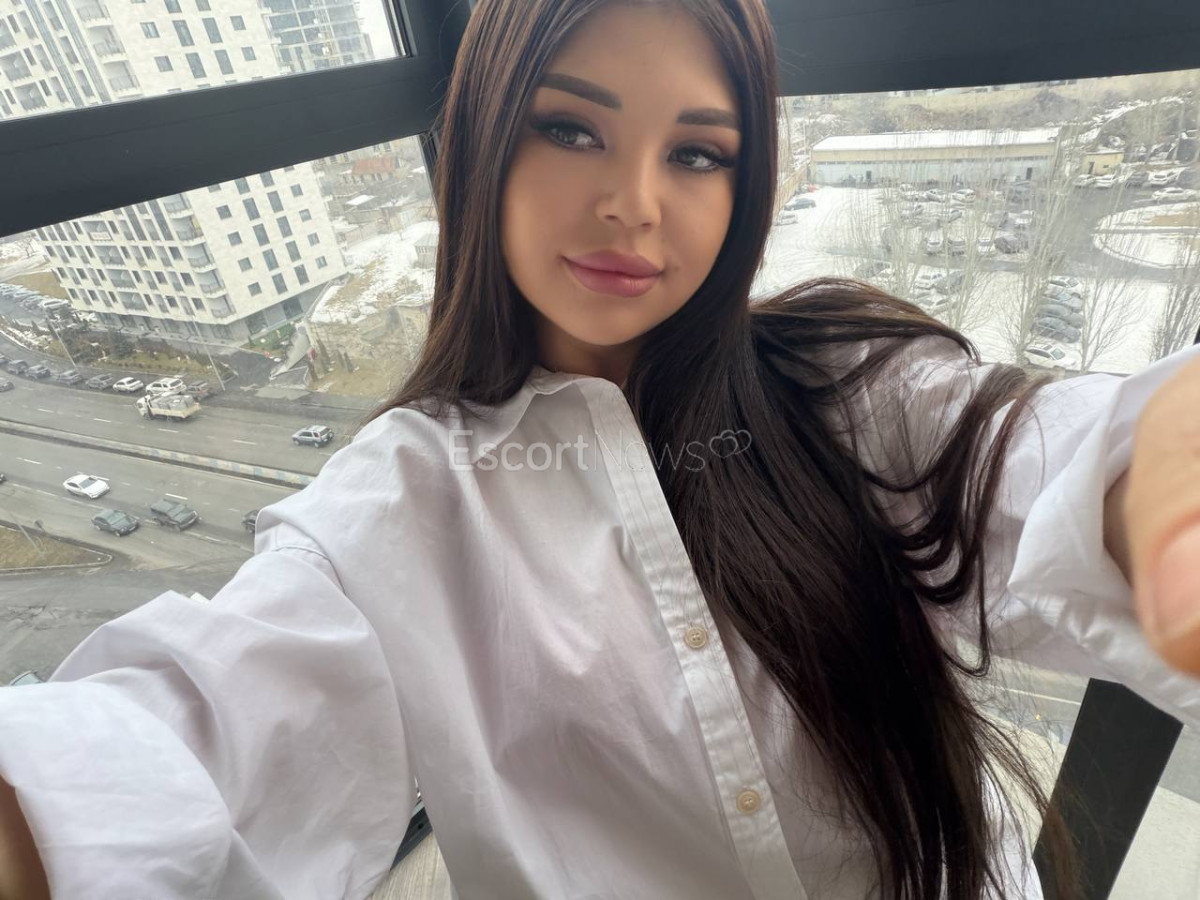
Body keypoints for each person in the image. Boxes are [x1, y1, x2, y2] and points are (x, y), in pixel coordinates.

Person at [3, 1, 1200, 898]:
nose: (634, 201)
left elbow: (1038, 460)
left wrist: (1149, 483)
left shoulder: (845, 385)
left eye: (697, 152)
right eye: (570, 128)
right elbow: (206, 724)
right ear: (483, 142)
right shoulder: (405, 501)